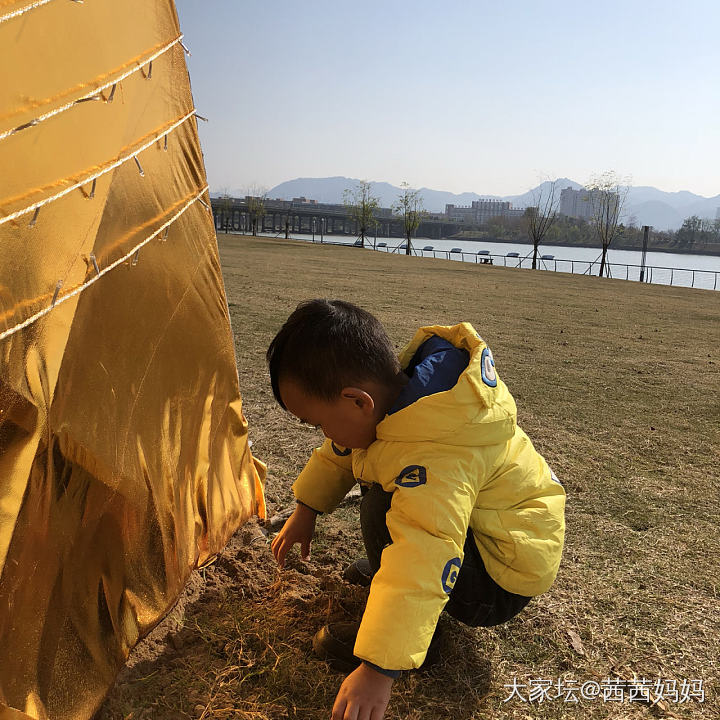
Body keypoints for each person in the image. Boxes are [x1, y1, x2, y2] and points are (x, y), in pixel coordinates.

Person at [266, 299, 566, 720]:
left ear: (358, 401)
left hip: (499, 582)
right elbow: (343, 446)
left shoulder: (434, 454)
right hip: (494, 539)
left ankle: (417, 643)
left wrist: (377, 667)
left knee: (382, 506)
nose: (323, 433)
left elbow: (424, 554)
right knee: (381, 483)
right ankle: (388, 584)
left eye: (317, 423)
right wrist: (307, 508)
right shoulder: (410, 400)